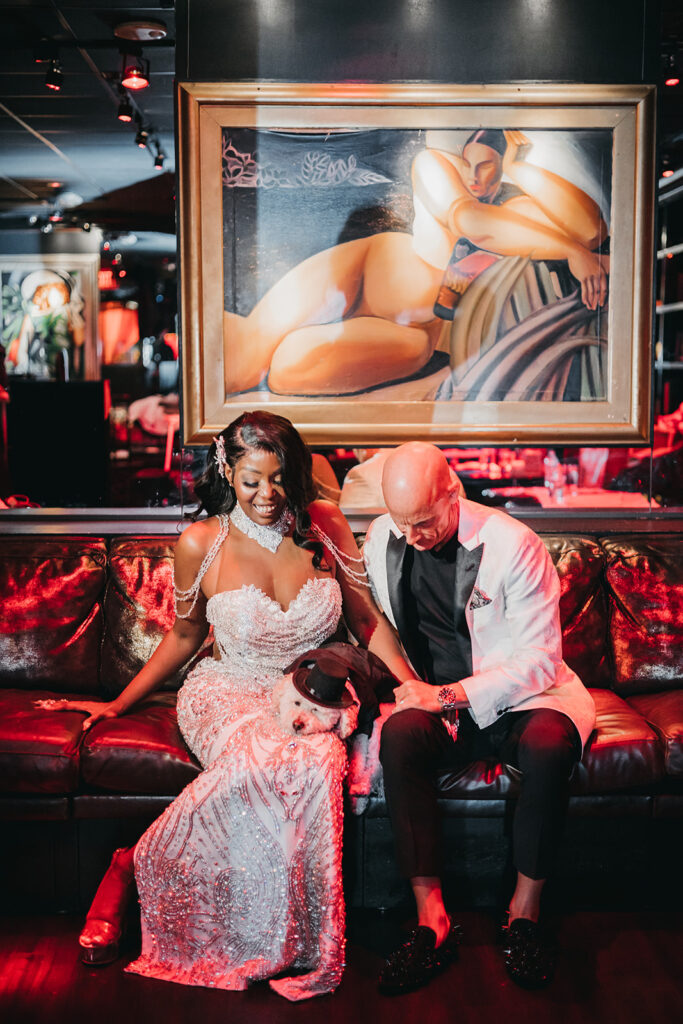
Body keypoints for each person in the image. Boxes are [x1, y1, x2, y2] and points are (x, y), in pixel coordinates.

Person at [36, 411, 417, 1001]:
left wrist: (414, 688)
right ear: (227, 472)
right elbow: (185, 638)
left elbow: (366, 621)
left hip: (308, 691)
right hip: (229, 686)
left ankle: (287, 938)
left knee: (316, 761)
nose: (269, 495)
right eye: (252, 481)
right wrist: (117, 703)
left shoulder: (326, 526)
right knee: (261, 757)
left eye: (280, 478)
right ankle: (131, 867)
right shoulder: (201, 543)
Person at [361, 442, 596, 992]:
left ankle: (524, 914)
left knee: (547, 747)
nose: (412, 537)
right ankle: (432, 919)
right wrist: (415, 690)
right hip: (437, 701)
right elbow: (378, 622)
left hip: (522, 699)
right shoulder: (382, 537)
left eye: (423, 522)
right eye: (402, 523)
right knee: (398, 736)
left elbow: (540, 660)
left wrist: (450, 695)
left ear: (453, 492)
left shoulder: (513, 544)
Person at [224, 129, 607, 396]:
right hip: (361, 272)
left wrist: (517, 167)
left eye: (487, 167)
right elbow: (470, 223)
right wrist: (573, 252)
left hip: (415, 335)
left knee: (287, 372)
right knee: (244, 362)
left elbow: (590, 230)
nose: (475, 177)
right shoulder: (435, 166)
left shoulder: (516, 210)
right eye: (470, 164)